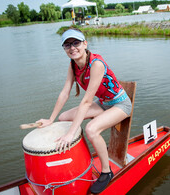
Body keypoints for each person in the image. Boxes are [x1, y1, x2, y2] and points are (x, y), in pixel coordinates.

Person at [36, 28, 132, 193]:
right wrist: (50, 119)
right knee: (64, 117)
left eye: (76, 43)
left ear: (85, 44)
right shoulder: (73, 65)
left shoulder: (97, 64)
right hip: (103, 103)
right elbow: (65, 92)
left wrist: (71, 133)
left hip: (120, 105)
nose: (72, 48)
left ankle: (106, 171)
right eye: (67, 45)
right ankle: (79, 158)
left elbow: (86, 101)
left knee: (91, 130)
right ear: (64, 49)